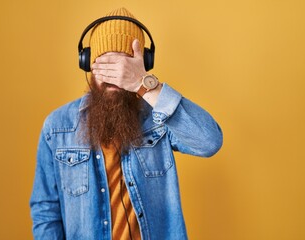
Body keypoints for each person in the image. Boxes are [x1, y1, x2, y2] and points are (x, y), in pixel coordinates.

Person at [30, 7, 223, 240]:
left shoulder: (158, 118)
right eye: (107, 64)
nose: (115, 76)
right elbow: (45, 212)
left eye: (124, 66)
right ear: (88, 64)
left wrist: (145, 85)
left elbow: (209, 141)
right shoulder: (57, 127)